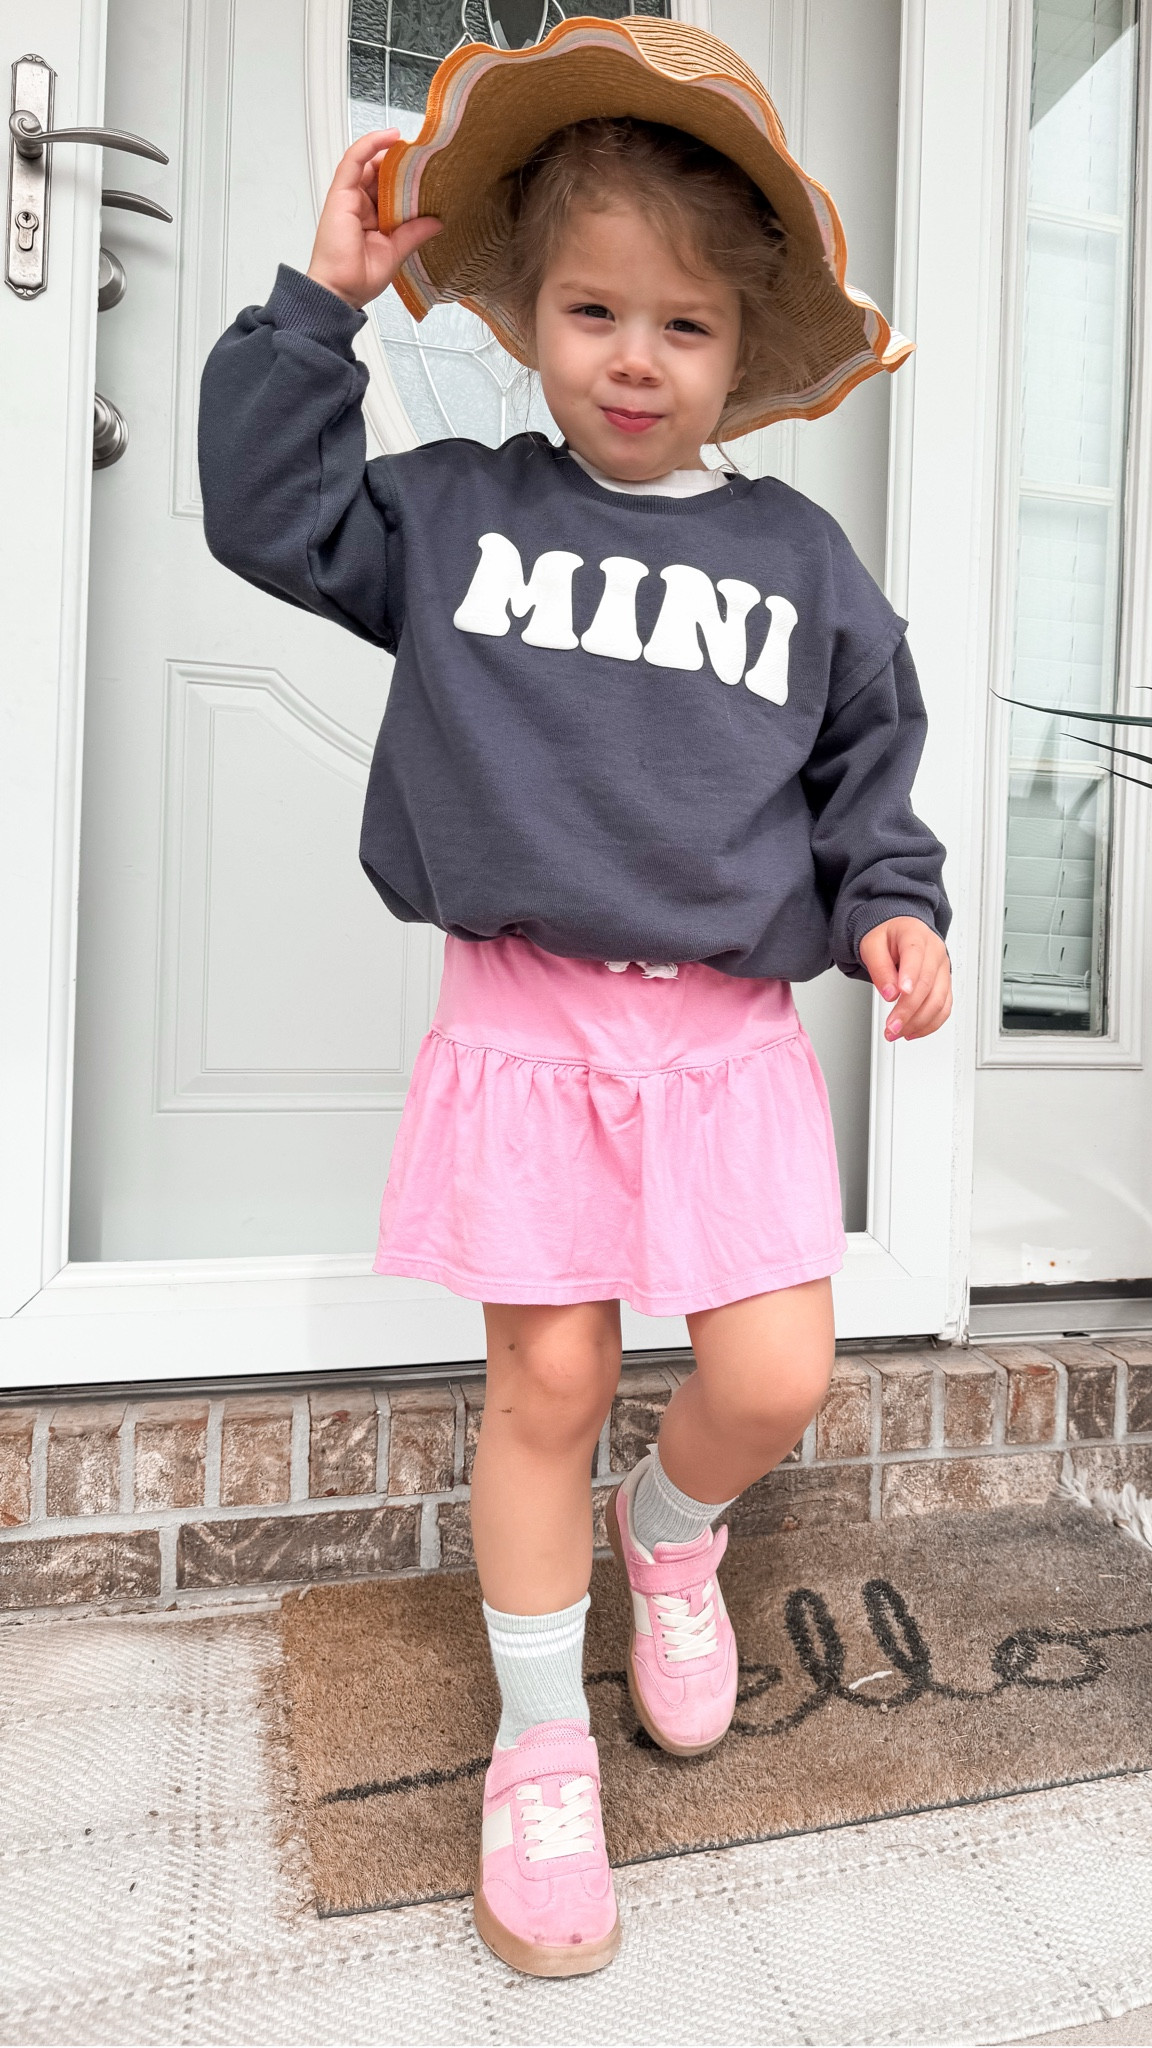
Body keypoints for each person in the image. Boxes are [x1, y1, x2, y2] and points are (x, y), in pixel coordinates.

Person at [198, 16, 951, 1981]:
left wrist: (890, 902)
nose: (635, 355)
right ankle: (543, 1742)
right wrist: (317, 309)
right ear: (531, 315)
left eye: (683, 326)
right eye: (595, 309)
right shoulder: (458, 517)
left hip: (723, 1037)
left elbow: (866, 759)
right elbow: (271, 518)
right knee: (543, 1374)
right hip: (530, 1015)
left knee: (774, 1367)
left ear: (741, 352)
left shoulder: (799, 564)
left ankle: (670, 1530)